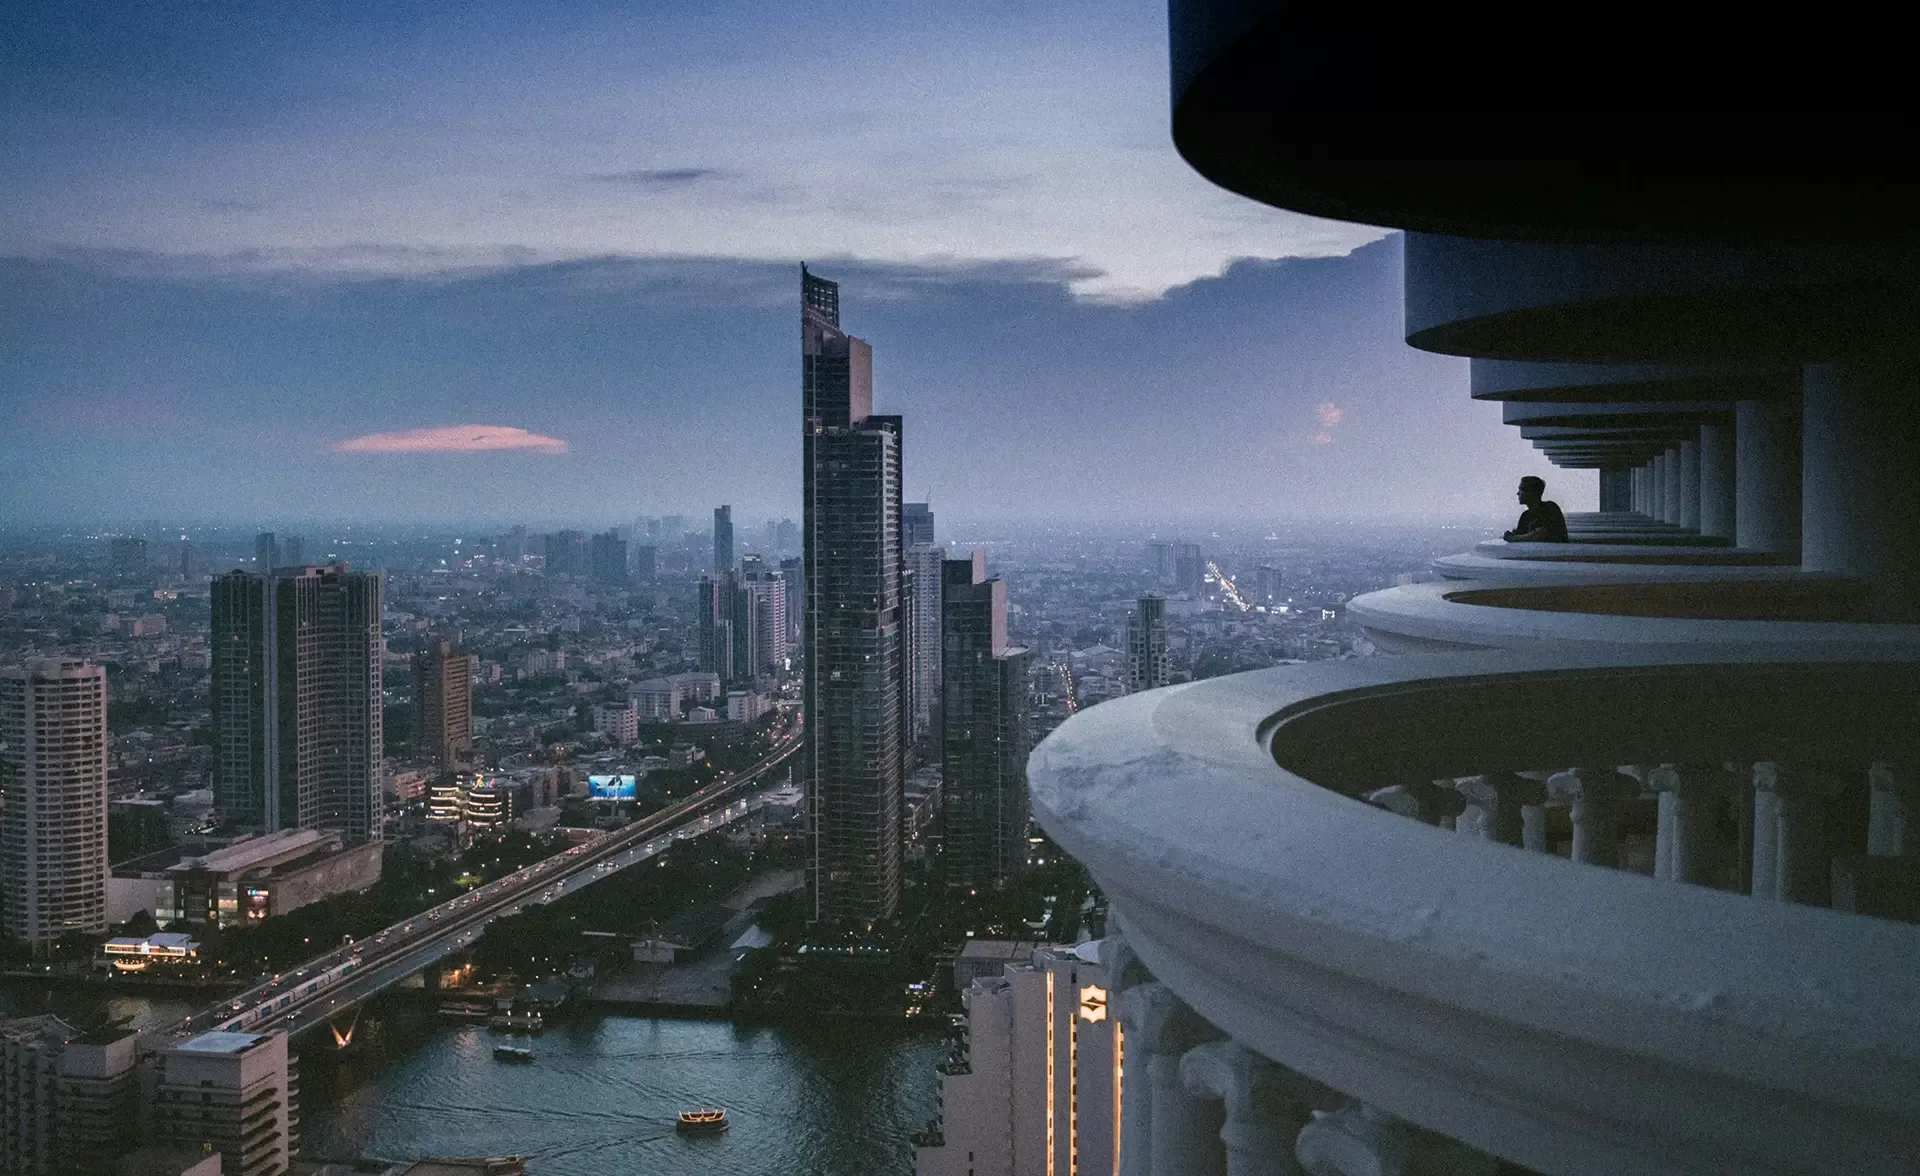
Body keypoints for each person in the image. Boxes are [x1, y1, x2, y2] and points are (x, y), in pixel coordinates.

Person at [1503, 476, 1569, 542]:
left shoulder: (1550, 508)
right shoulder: (1525, 516)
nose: (1518, 493)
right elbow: (1520, 534)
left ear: (1530, 492)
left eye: (1521, 489)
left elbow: (1541, 534)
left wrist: (1514, 538)